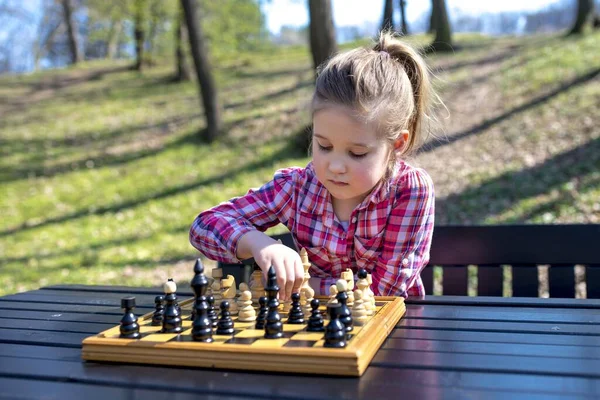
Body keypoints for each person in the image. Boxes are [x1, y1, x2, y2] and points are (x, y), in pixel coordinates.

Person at [190, 32, 440, 301]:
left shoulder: (409, 191)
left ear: (398, 144)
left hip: (395, 333)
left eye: (357, 153)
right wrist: (256, 241)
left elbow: (383, 291)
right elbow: (204, 225)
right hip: (313, 333)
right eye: (324, 146)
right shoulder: (296, 188)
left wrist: (303, 285)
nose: (335, 166)